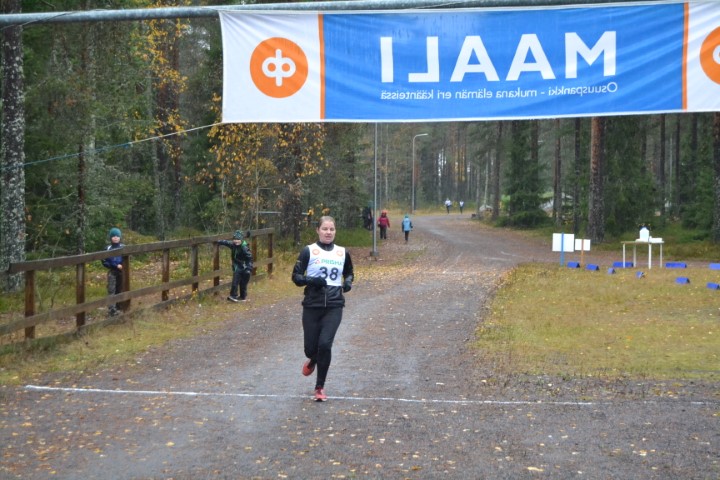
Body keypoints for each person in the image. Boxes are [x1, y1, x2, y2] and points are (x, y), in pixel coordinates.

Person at [292, 216, 354, 402]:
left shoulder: (342, 252)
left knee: (325, 345)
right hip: (312, 305)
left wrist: (348, 282)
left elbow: (349, 272)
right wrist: (311, 280)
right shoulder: (309, 251)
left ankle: (319, 387)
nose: (328, 232)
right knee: (310, 349)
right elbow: (296, 277)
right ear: (318, 230)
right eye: (325, 229)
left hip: (334, 305)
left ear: (335, 231)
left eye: (331, 229)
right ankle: (313, 359)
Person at [218, 230, 253, 302]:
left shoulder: (244, 248)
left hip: (245, 267)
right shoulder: (233, 245)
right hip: (237, 267)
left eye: (238, 239)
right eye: (235, 239)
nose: (236, 241)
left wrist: (249, 268)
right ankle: (233, 296)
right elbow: (227, 243)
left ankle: (243, 297)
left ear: (241, 240)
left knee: (243, 284)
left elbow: (249, 258)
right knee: (235, 281)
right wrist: (219, 242)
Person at [102, 227, 124, 317]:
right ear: (111, 237)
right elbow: (104, 261)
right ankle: (112, 309)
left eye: (117, 236)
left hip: (122, 272)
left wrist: (122, 265)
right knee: (111, 290)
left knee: (120, 289)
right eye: (113, 236)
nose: (115, 238)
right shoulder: (107, 248)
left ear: (120, 237)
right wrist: (115, 265)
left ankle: (120, 307)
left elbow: (127, 258)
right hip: (112, 272)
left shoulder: (123, 247)